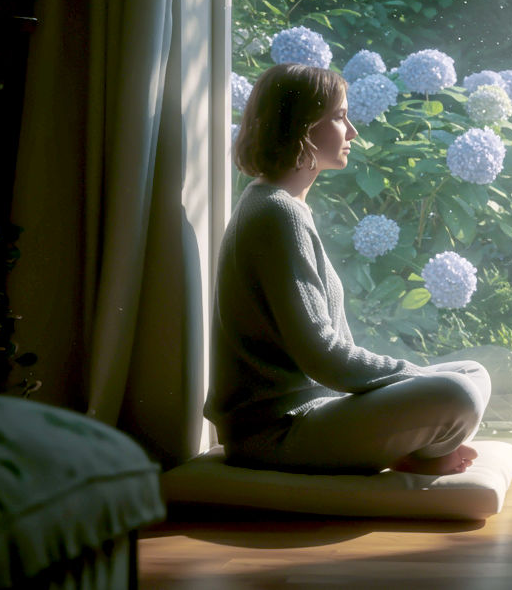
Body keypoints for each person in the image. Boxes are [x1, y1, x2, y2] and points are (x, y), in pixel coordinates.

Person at [205, 63, 489, 476]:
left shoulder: (278, 204)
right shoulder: (276, 214)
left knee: (472, 373)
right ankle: (416, 453)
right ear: (302, 127)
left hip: (317, 409)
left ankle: (412, 449)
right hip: (276, 432)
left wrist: (410, 382)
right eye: (339, 117)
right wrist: (412, 378)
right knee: (458, 393)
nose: (352, 131)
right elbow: (325, 359)